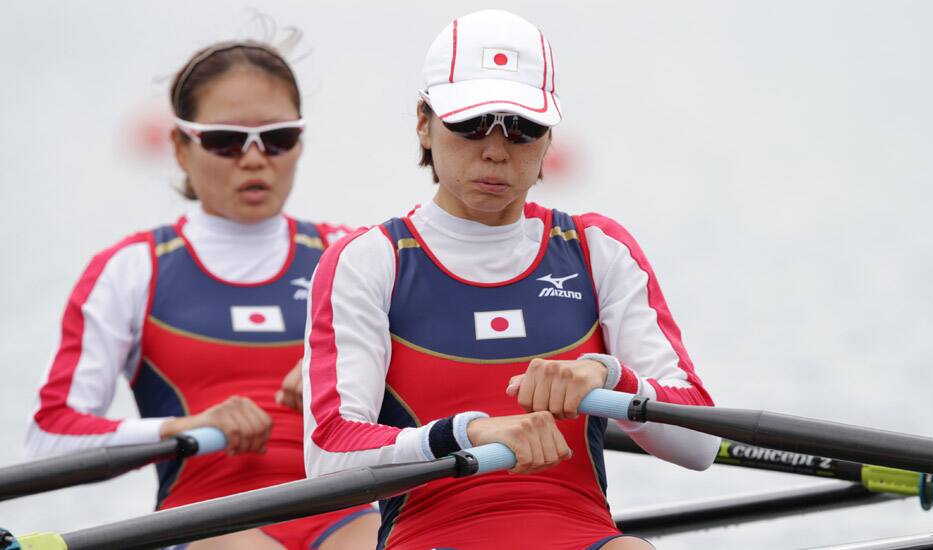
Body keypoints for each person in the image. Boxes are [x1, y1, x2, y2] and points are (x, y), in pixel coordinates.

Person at [303, 9, 720, 550]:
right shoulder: (372, 260)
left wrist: (609, 378)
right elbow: (330, 458)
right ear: (424, 123)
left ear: (549, 139)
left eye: (523, 128)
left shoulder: (597, 249)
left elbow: (700, 445)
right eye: (471, 123)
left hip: (585, 536)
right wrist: (467, 433)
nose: (497, 150)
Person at [26, 40, 379, 550]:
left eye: (277, 137)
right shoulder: (131, 269)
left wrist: (356, 370)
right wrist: (184, 427)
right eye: (226, 141)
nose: (255, 159)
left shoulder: (352, 256)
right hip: (204, 518)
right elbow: (48, 436)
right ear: (179, 146)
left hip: (344, 506)